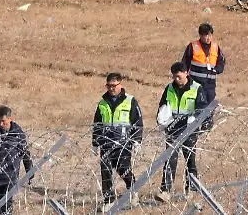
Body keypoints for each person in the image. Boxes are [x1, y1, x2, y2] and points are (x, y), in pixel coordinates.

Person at [156, 62, 209, 202]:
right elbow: (162, 105)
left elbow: (202, 108)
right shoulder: (169, 88)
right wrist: (161, 117)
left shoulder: (196, 88)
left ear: (186, 73)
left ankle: (191, 189)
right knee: (170, 159)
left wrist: (195, 119)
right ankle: (166, 190)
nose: (176, 80)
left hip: (189, 129)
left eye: (179, 76)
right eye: (174, 77)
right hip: (172, 129)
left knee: (189, 159)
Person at [92, 73, 144, 210]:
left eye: (114, 86)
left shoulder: (130, 101)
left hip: (123, 143)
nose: (111, 89)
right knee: (106, 171)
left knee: (124, 169)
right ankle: (108, 200)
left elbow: (137, 122)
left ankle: (133, 191)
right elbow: (97, 123)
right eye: (108, 86)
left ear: (120, 84)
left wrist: (137, 140)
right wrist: (95, 142)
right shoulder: (102, 103)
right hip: (106, 143)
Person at [0, 106, 35, 215]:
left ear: (10, 119)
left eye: (3, 121)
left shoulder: (17, 134)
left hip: (11, 171)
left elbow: (25, 153)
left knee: (7, 200)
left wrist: (30, 171)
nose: (1, 124)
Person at [181, 22, 225, 105]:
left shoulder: (215, 47)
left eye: (210, 35)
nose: (208, 38)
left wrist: (217, 69)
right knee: (197, 108)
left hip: (210, 85)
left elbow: (221, 61)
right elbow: (184, 64)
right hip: (196, 84)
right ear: (200, 35)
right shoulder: (192, 46)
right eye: (206, 35)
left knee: (209, 109)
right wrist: (184, 79)